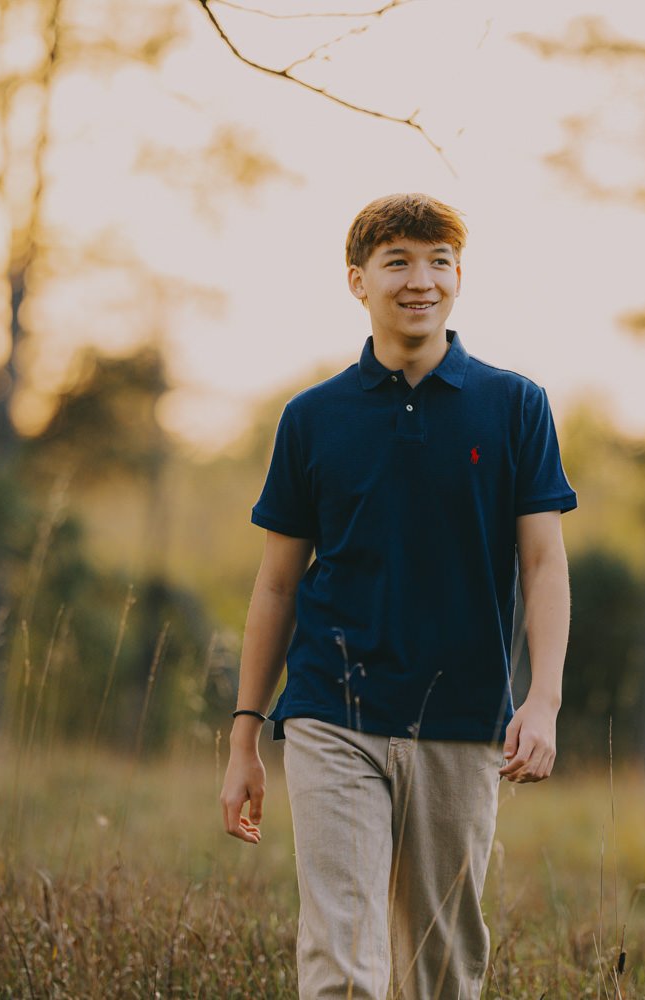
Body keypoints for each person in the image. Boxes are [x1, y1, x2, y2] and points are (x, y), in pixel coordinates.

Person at [218, 192, 575, 1000]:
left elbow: (545, 566)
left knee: (442, 968)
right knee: (340, 960)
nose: (422, 280)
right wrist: (246, 733)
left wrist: (543, 700)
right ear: (358, 280)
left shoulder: (516, 406)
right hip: (330, 711)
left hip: (462, 718)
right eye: (399, 262)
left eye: (439, 261)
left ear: (458, 277)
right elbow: (276, 583)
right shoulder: (312, 418)